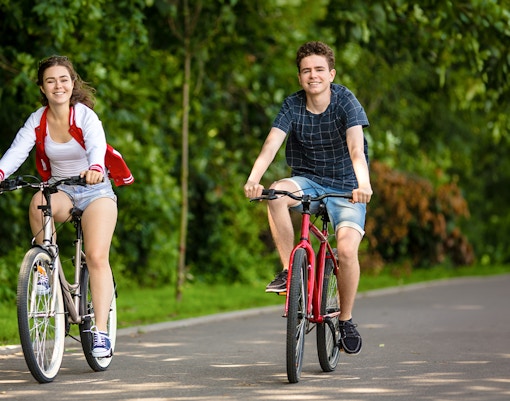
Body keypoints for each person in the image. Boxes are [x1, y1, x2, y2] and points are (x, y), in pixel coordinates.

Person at [244, 41, 372, 355]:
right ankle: (292, 271)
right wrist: (254, 179)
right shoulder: (292, 105)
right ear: (300, 77)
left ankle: (346, 319)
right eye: (306, 71)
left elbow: (356, 149)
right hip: (308, 181)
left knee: (345, 249)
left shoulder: (346, 102)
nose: (312, 76)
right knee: (275, 195)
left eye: (318, 69)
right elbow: (271, 145)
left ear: (331, 74)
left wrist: (363, 184)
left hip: (346, 187)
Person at [0, 55, 118, 358]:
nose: (58, 85)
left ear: (72, 83)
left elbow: (97, 145)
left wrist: (94, 167)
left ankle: (101, 331)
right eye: (50, 80)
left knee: (95, 255)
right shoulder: (37, 120)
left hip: (96, 189)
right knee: (38, 200)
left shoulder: (84, 116)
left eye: (63, 79)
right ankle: (44, 270)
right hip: (61, 189)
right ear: (42, 86)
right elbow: (16, 152)